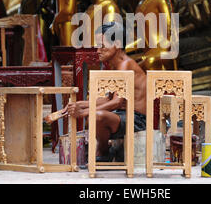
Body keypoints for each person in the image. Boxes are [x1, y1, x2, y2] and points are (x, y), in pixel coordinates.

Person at [50, 22, 147, 161]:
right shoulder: (117, 65)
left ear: (117, 44)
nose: (98, 51)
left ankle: (103, 150)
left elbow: (116, 102)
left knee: (96, 116)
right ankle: (106, 149)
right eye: (97, 46)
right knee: (94, 114)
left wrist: (83, 112)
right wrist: (79, 104)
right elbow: (108, 100)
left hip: (138, 119)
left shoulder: (126, 65)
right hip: (122, 114)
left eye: (102, 46)